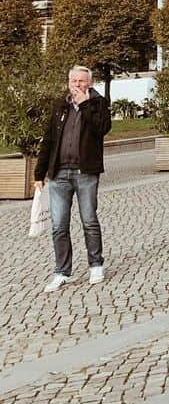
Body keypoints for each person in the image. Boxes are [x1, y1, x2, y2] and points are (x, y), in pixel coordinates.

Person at [34, 65, 111, 294]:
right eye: (74, 81)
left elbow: (102, 129)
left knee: (89, 220)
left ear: (90, 82)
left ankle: (95, 264)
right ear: (68, 82)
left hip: (85, 172)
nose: (78, 84)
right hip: (59, 174)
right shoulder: (61, 105)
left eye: (82, 81)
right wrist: (39, 173)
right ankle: (62, 271)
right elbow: (48, 139)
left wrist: (86, 104)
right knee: (59, 225)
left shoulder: (98, 103)